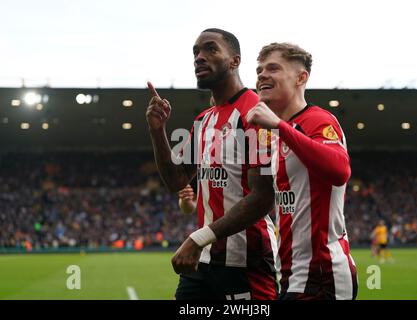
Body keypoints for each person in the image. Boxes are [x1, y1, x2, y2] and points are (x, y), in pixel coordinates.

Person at [146, 28, 278, 300]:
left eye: (210, 49)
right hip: (204, 261)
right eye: (195, 52)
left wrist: (198, 237)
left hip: (246, 263)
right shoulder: (204, 120)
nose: (199, 57)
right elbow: (177, 180)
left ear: (235, 61)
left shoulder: (255, 114)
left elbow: (263, 197)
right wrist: (158, 131)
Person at [246, 42, 358, 300]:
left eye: (273, 68)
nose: (262, 74)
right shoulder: (273, 135)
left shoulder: (318, 120)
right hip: (291, 275)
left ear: (301, 77)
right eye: (259, 69)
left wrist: (280, 127)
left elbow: (340, 170)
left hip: (323, 276)